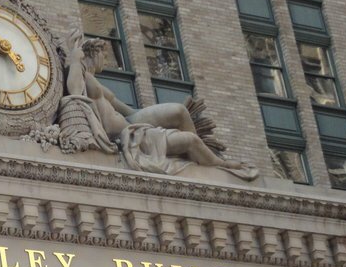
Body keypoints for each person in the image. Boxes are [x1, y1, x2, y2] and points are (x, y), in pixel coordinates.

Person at [65, 28, 247, 171]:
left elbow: (126, 110)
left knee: (179, 111)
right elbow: (74, 91)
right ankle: (214, 163)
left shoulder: (94, 80)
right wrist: (74, 57)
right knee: (190, 138)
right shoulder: (81, 73)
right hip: (127, 133)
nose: (105, 61)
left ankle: (201, 156)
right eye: (104, 56)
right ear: (94, 53)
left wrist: (155, 116)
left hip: (131, 120)